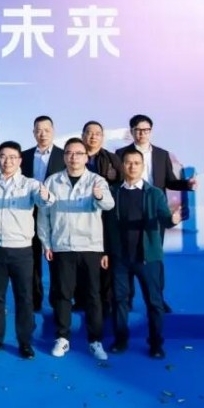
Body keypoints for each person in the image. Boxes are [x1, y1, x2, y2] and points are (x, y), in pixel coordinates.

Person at [38, 138, 114, 361]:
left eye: (79, 153)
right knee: (62, 294)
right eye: (69, 153)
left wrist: (99, 195)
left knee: (92, 295)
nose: (74, 157)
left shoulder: (96, 180)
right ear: (64, 156)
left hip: (90, 246)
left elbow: (109, 204)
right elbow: (43, 214)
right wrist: (46, 243)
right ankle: (62, 337)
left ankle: (95, 340)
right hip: (62, 246)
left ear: (86, 157)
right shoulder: (53, 181)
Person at [114, 114, 197, 313]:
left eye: (146, 130)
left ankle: (157, 297)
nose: (142, 133)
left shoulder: (161, 154)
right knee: (127, 255)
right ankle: (127, 298)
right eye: (138, 130)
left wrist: (187, 184)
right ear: (131, 131)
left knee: (154, 256)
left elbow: (169, 181)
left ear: (151, 131)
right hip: (128, 208)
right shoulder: (120, 153)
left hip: (153, 209)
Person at [105, 147, 181, 359]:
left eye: (136, 163)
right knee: (119, 301)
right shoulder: (113, 192)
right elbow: (107, 225)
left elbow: (164, 218)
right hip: (120, 258)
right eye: (128, 163)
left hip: (148, 258)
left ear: (143, 166)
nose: (132, 167)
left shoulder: (154, 193)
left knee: (154, 303)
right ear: (122, 166)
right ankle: (121, 339)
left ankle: (156, 343)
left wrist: (172, 220)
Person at [0, 141, 48, 359]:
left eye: (12, 157)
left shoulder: (30, 184)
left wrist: (46, 196)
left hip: (22, 250)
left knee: (24, 297)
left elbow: (44, 202)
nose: (7, 161)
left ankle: (25, 342)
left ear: (20, 160)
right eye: (3, 156)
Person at [77, 121, 123, 314]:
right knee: (79, 258)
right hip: (79, 215)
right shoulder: (73, 155)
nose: (93, 137)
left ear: (102, 137)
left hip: (105, 216)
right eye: (89, 133)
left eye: (97, 133)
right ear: (83, 136)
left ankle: (105, 300)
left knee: (104, 258)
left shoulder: (112, 159)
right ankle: (80, 299)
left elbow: (121, 185)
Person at [20, 115, 64, 312]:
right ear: (33, 133)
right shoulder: (24, 156)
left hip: (55, 215)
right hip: (28, 215)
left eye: (46, 130)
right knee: (32, 260)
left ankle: (58, 300)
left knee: (57, 260)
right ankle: (35, 300)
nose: (42, 134)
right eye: (38, 130)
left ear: (53, 131)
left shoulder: (64, 155)